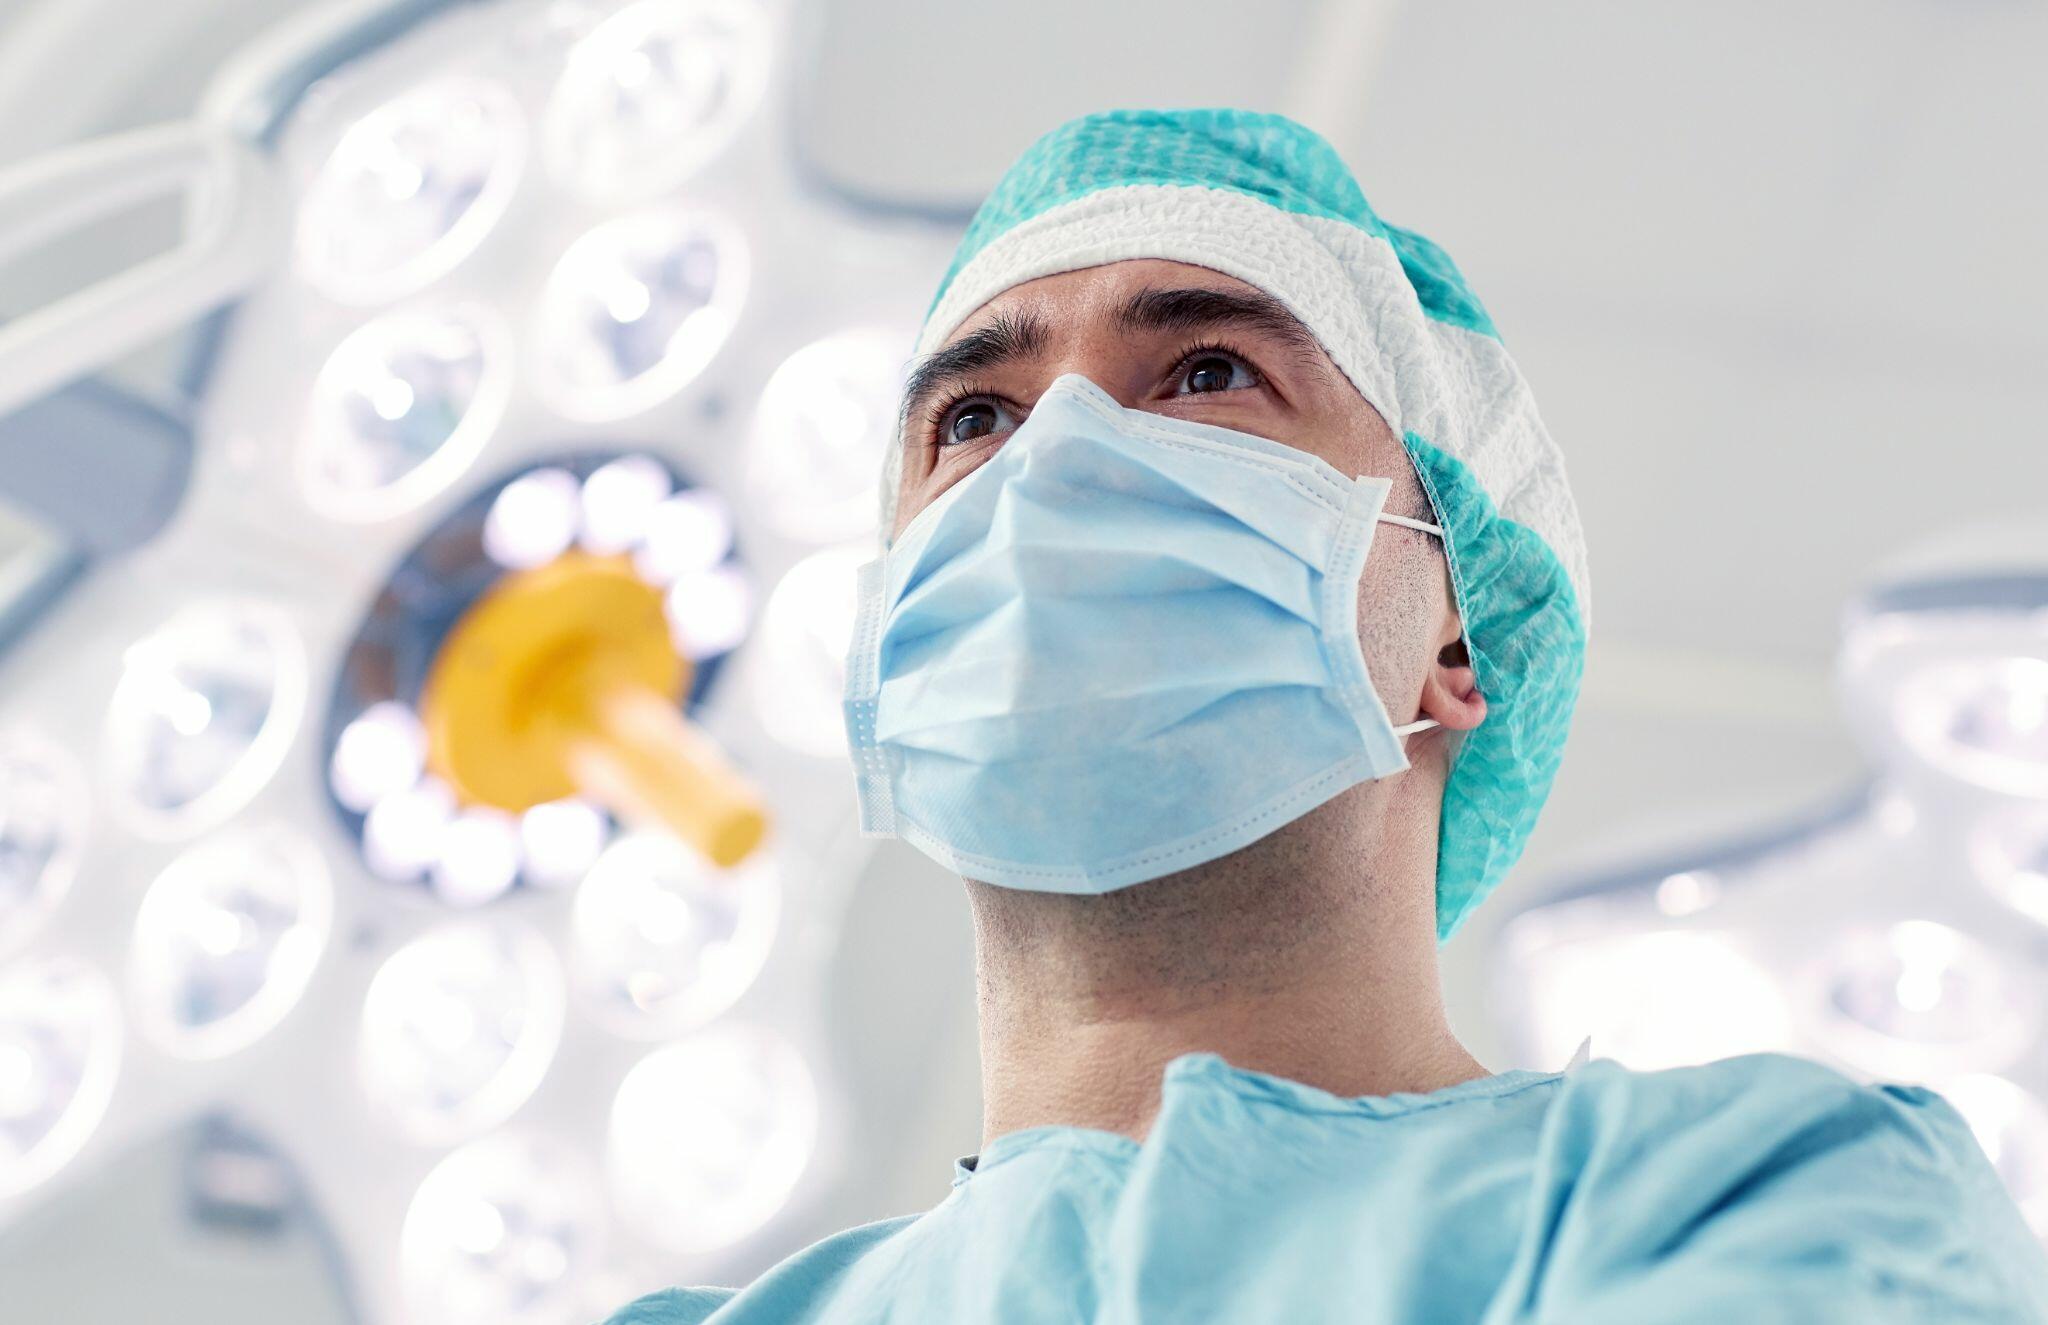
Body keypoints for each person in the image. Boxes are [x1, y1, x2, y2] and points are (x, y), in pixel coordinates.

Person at [605, 109, 2048, 1323]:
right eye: (972, 419)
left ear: (1453, 632)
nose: (1052, 465)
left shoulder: (1760, 1195)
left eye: (1208, 373)